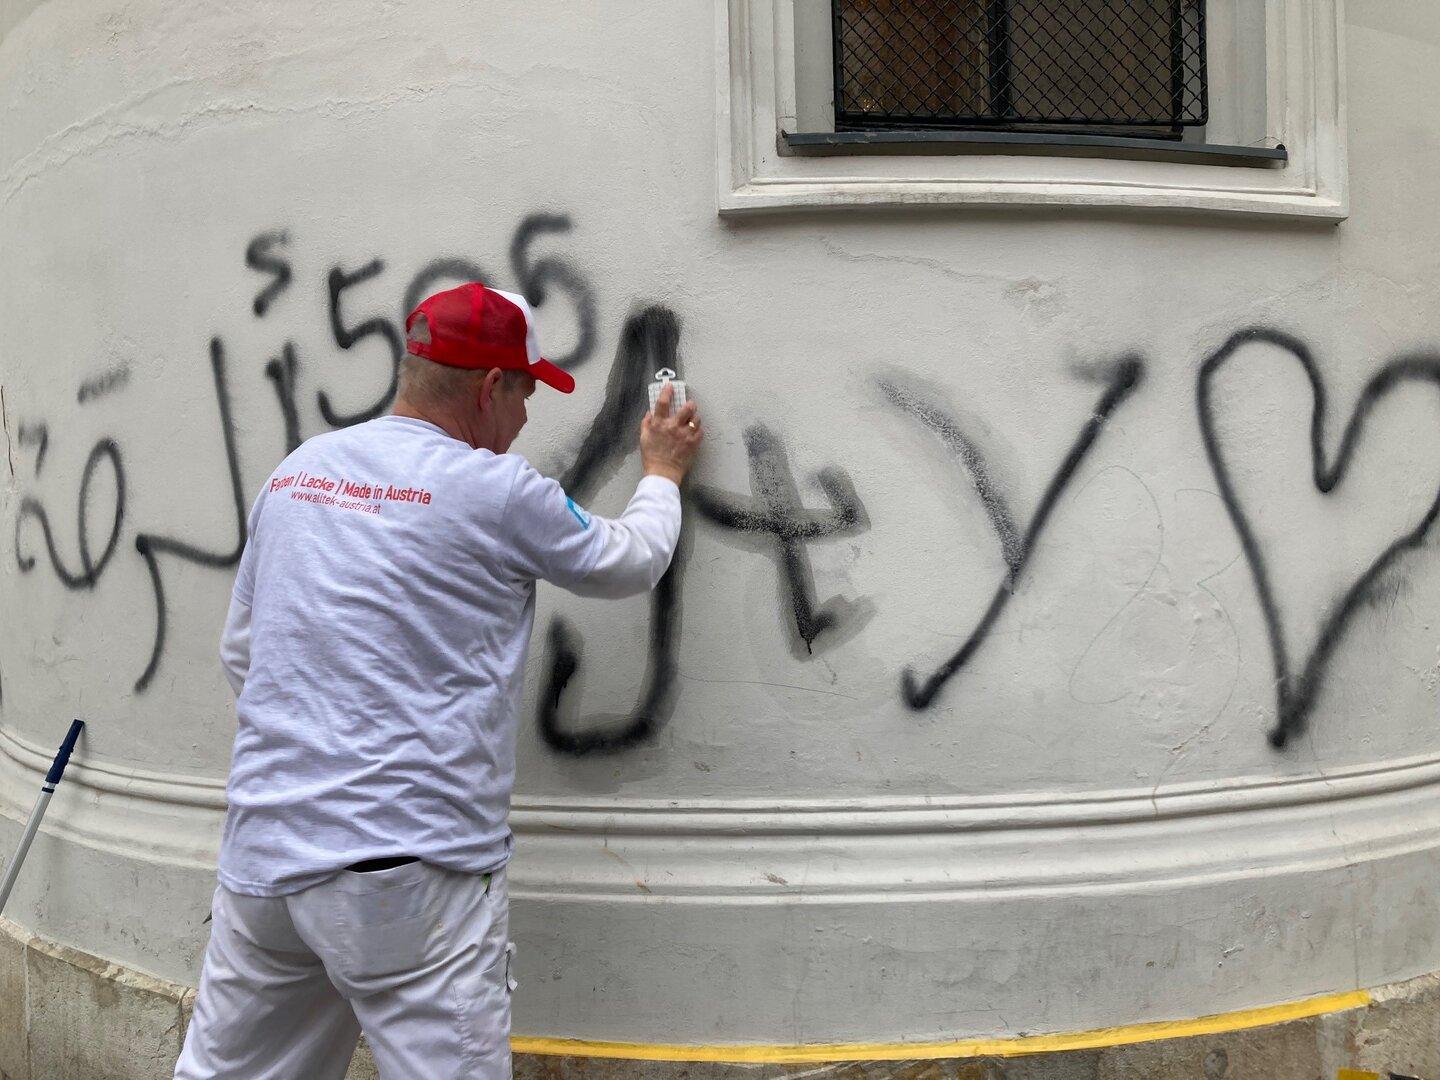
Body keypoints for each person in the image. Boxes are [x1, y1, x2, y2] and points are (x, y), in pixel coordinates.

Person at [174, 282, 703, 1079]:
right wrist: (661, 470)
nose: (525, 418)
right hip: (407, 880)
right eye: (524, 392)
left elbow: (243, 652)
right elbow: (628, 559)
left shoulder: (298, 473)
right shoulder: (494, 490)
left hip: (264, 862)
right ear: (491, 387)